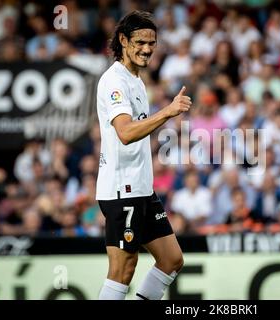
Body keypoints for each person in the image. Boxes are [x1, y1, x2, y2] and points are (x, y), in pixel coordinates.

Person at [96, 10, 191, 300]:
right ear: (123, 41)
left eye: (152, 43)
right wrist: (168, 111)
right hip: (121, 189)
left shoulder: (135, 79)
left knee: (172, 260)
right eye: (140, 42)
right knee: (123, 270)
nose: (147, 49)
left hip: (141, 189)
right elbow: (125, 133)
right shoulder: (114, 81)